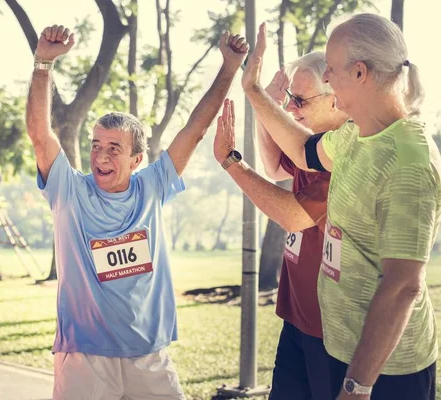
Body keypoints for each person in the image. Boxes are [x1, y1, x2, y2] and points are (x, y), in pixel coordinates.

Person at [27, 24, 248, 399]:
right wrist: (43, 64)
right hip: (85, 356)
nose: (100, 156)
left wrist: (229, 68)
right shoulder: (69, 190)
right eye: (96, 145)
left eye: (114, 148)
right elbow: (39, 132)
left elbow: (195, 129)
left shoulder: (153, 185)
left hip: (148, 354)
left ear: (137, 159)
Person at [241, 15, 439, 400]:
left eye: (331, 69)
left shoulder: (408, 160)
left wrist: (357, 386)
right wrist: (253, 91)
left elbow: (402, 287)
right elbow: (301, 150)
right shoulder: (356, 133)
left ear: (361, 73)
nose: (327, 79)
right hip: (337, 347)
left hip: (386, 372)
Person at [214, 51, 347, 400]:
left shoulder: (347, 153)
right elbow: (274, 166)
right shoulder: (313, 146)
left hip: (331, 330)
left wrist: (231, 162)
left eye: (299, 100)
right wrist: (266, 107)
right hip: (297, 318)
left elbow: (292, 213)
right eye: (289, 99)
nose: (290, 109)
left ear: (336, 98)